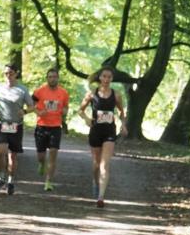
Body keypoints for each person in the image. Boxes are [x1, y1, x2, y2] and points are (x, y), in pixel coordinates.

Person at [78, 66, 126, 208]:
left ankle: (101, 197)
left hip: (109, 131)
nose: (106, 79)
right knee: (96, 165)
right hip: (95, 131)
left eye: (109, 77)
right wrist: (87, 119)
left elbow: (122, 112)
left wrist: (123, 124)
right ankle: (95, 182)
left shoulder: (116, 95)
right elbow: (80, 110)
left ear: (112, 79)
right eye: (104, 76)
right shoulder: (92, 94)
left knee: (105, 165)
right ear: (100, 77)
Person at [0, 63, 35, 195]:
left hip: (16, 125)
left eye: (10, 73)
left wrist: (25, 111)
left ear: (16, 74)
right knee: (0, 152)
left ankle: (10, 181)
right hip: (3, 124)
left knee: (12, 156)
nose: (8, 76)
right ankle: (0, 178)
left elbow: (32, 106)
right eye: (5, 73)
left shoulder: (22, 90)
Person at [32, 67, 70, 192]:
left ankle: (48, 182)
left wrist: (63, 111)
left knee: (53, 154)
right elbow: (31, 105)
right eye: (50, 77)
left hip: (55, 127)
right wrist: (39, 112)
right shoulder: (39, 92)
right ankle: (42, 163)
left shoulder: (64, 93)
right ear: (47, 78)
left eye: (55, 77)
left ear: (58, 78)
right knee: (41, 156)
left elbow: (65, 108)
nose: (52, 79)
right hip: (42, 126)